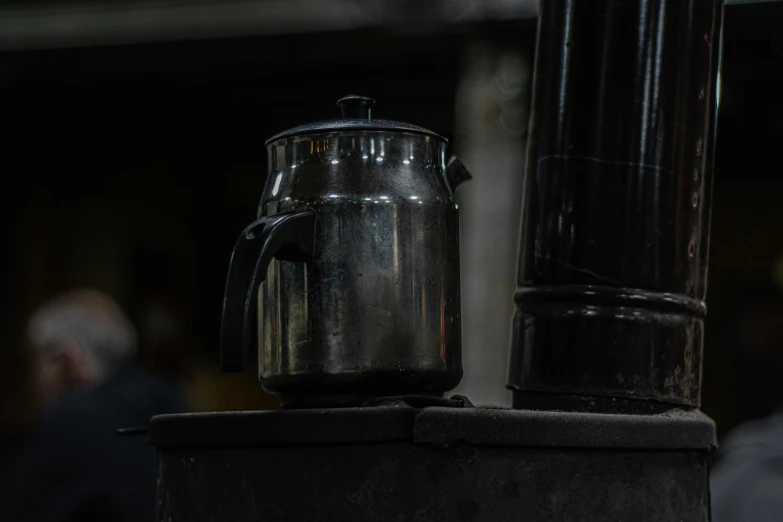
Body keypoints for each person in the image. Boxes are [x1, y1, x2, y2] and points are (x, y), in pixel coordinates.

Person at [0, 289, 187, 522]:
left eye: (34, 360)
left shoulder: (67, 425)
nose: (31, 381)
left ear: (68, 361)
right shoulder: (172, 404)